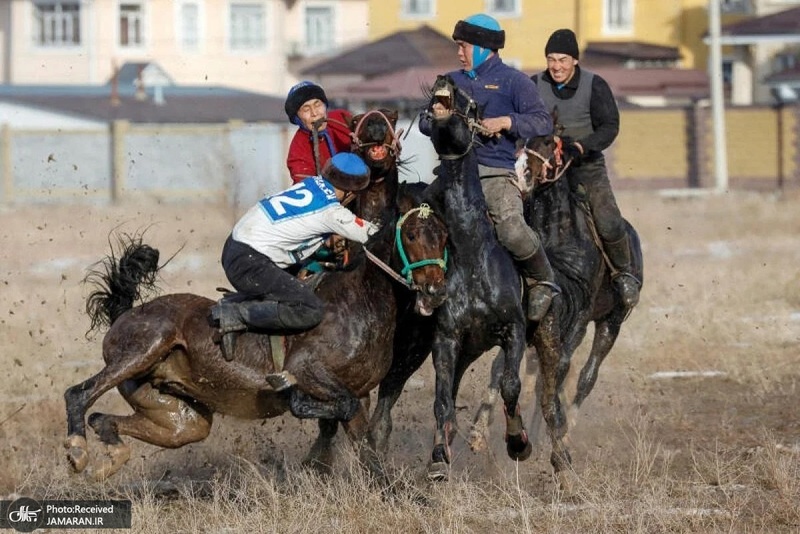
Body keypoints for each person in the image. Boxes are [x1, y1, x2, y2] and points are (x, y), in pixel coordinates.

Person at [421, 13, 558, 321]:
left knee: (510, 229)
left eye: (464, 46)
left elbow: (542, 121)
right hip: (452, 177)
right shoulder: (449, 83)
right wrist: (439, 119)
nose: (458, 53)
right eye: (457, 46)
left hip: (495, 175)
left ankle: (542, 280)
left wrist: (507, 121)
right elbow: (422, 124)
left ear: (484, 48)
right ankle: (423, 290)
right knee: (418, 223)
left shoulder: (516, 82)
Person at [212, 152, 379, 368]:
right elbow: (375, 234)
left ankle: (238, 304)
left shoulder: (311, 184)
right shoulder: (333, 212)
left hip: (235, 246)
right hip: (250, 262)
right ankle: (234, 314)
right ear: (350, 193)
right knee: (310, 309)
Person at [531, 28, 640, 307]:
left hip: (585, 167)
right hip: (542, 168)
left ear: (575, 61)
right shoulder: (533, 85)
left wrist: (582, 146)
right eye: (551, 59)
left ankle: (623, 273)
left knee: (608, 218)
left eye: (563, 60)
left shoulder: (595, 85)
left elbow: (610, 127)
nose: (556, 66)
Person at [285, 81, 354, 184]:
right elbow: (308, 189)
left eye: (318, 105)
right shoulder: (298, 151)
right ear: (297, 118)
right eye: (306, 109)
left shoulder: (342, 119)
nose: (314, 113)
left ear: (325, 106)